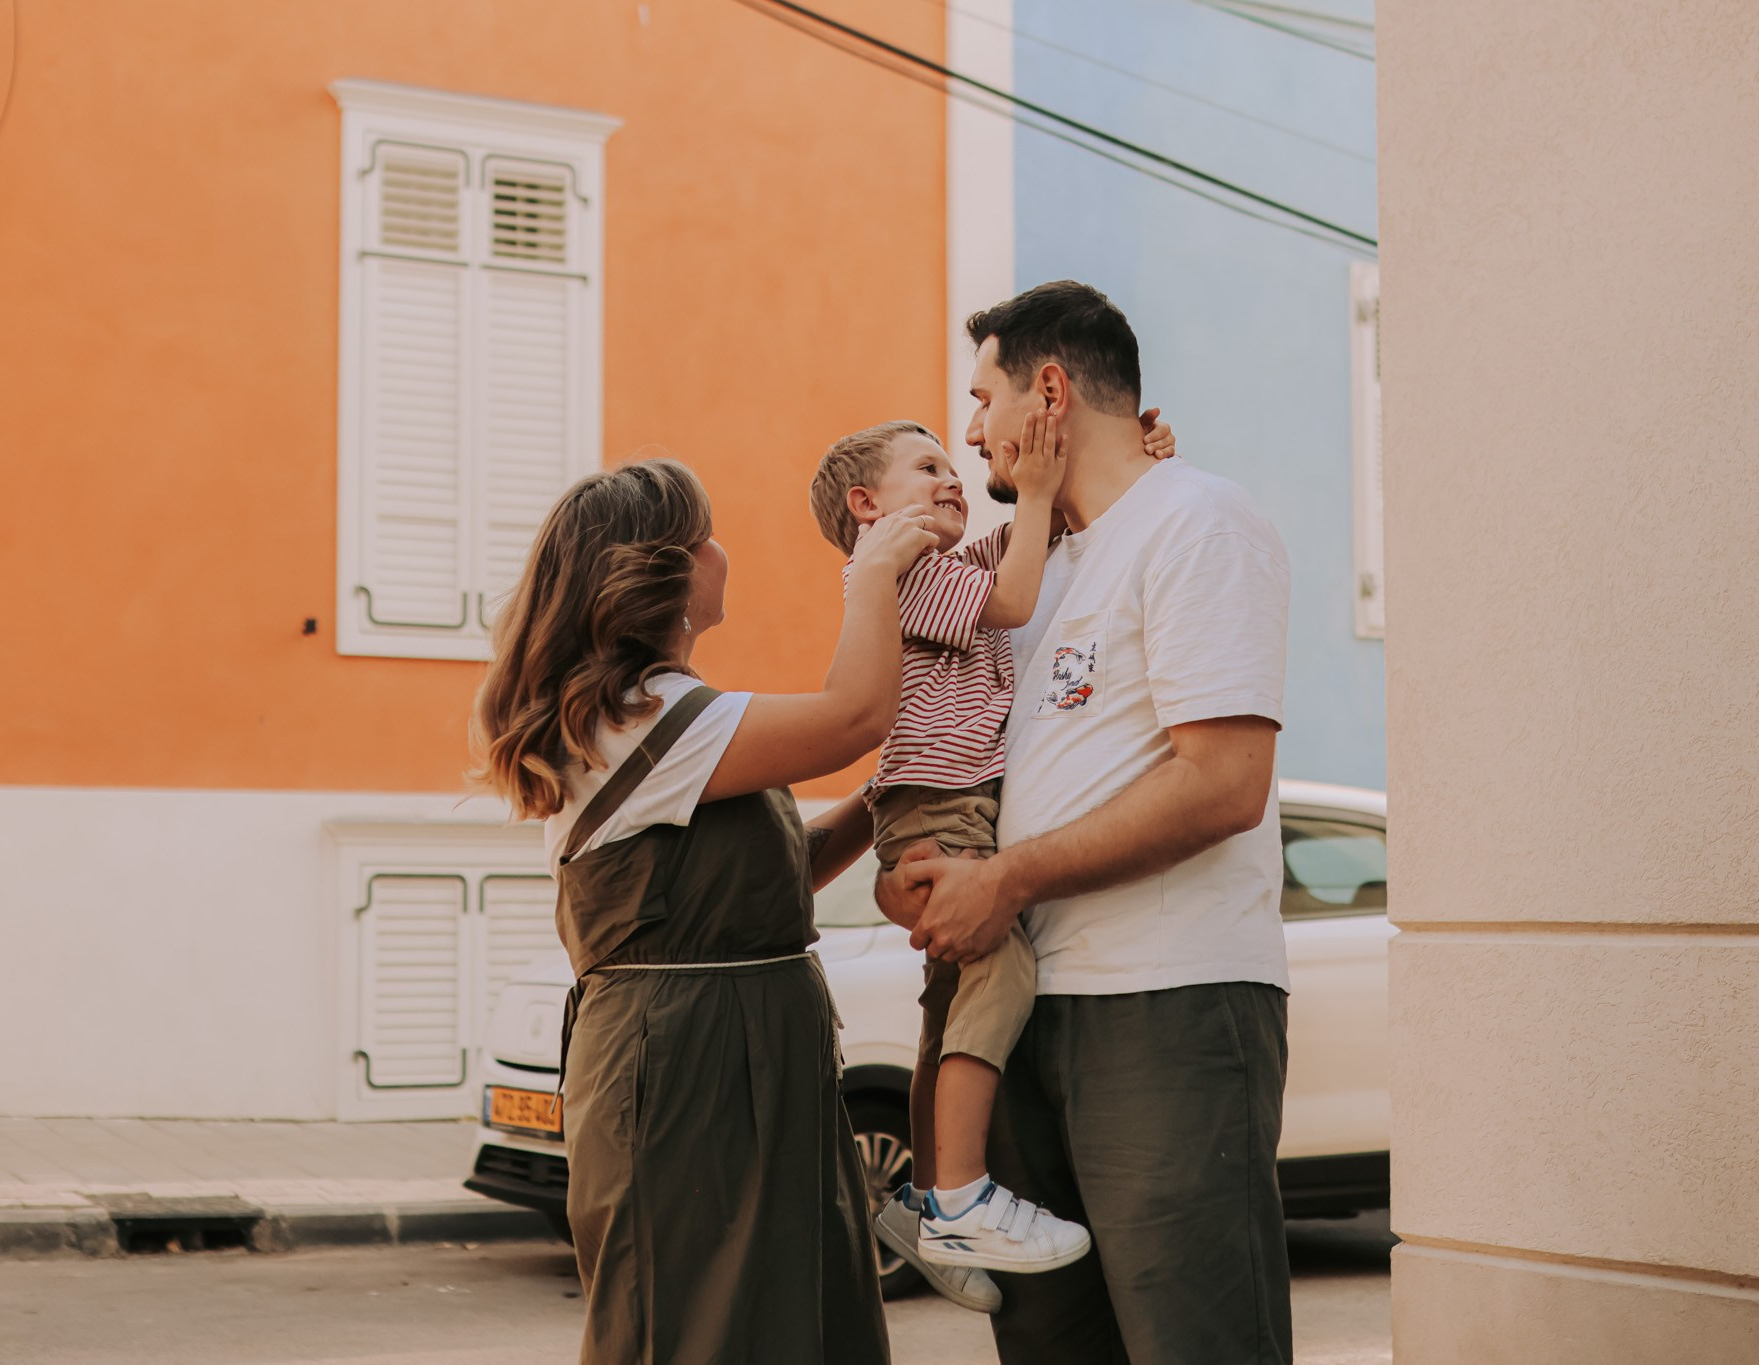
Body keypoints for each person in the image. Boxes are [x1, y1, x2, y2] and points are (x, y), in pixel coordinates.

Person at [878, 281, 1295, 1365]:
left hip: (1167, 1003)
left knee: (1192, 1339)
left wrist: (1005, 880)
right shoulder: (1037, 564)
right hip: (1025, 1014)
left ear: (1048, 391)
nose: (969, 431)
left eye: (982, 398)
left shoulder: (1199, 522)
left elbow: (1223, 783)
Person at [472, 457, 937, 1365]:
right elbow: (853, 715)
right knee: (693, 1330)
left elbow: (776, 876)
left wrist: (903, 788)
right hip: (686, 1068)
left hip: (751, 1053)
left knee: (794, 1324)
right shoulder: (636, 721)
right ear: (670, 570)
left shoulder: (675, 719)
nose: (725, 550)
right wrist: (875, 568)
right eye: (708, 533)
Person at [804, 410, 1173, 1311]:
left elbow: (1036, 542)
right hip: (942, 805)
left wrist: (1115, 464)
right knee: (1000, 971)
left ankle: (926, 1203)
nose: (951, 479)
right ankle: (963, 1195)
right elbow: (1013, 598)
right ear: (866, 504)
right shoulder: (901, 572)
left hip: (939, 804)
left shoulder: (948, 567)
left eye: (951, 471)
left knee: (951, 1001)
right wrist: (1043, 491)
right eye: (926, 468)